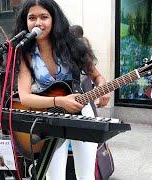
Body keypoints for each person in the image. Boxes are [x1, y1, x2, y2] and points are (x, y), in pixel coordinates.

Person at [14, 0, 110, 179]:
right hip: (48, 117)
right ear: (25, 22)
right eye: (32, 18)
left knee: (86, 175)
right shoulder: (25, 53)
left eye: (44, 17)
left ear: (54, 19)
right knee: (54, 176)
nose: (38, 23)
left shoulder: (73, 45)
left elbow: (97, 76)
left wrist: (103, 88)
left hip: (81, 111)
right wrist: (58, 101)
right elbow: (25, 97)